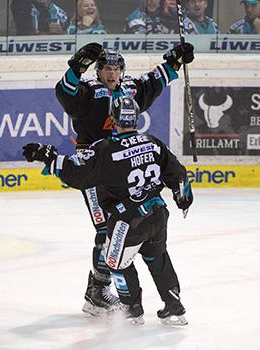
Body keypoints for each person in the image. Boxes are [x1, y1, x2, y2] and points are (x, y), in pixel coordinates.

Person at [22, 95, 193, 325]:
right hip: (158, 214)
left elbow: (79, 174)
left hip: (128, 220)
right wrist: (183, 197)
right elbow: (178, 174)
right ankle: (175, 308)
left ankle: (132, 311)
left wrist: (48, 156)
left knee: (115, 263)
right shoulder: (153, 142)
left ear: (112, 119)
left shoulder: (106, 149)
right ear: (136, 119)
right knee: (157, 257)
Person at [54, 41, 195, 316]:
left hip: (124, 168)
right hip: (95, 169)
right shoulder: (89, 92)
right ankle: (97, 291)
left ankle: (125, 293)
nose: (111, 73)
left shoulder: (130, 89)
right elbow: (65, 93)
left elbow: (156, 80)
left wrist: (176, 59)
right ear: (98, 71)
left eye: (116, 68)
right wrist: (76, 66)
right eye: (106, 68)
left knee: (127, 225)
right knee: (106, 230)